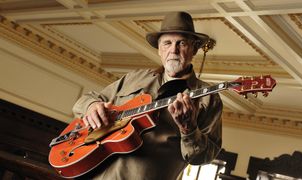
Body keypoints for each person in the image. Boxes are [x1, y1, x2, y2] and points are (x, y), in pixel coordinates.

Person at [73, 11, 223, 180]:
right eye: (167, 43)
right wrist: (91, 106)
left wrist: (188, 129)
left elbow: (204, 156)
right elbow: (86, 100)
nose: (173, 50)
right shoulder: (135, 77)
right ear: (159, 49)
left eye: (181, 43)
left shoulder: (209, 98)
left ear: (194, 49)